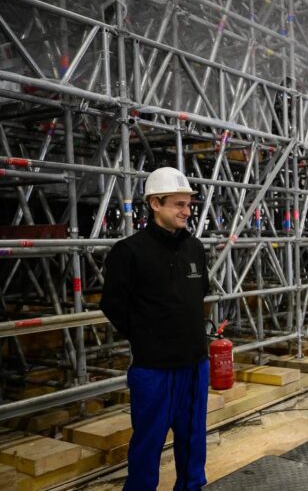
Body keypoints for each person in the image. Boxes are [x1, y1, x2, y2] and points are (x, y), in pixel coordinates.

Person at [101, 167, 209, 490]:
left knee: (193, 440)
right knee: (148, 444)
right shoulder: (129, 251)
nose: (186, 211)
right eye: (178, 204)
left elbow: (199, 294)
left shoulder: (195, 248)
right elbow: (113, 305)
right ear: (155, 204)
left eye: (188, 204)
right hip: (154, 370)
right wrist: (148, 335)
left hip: (194, 364)